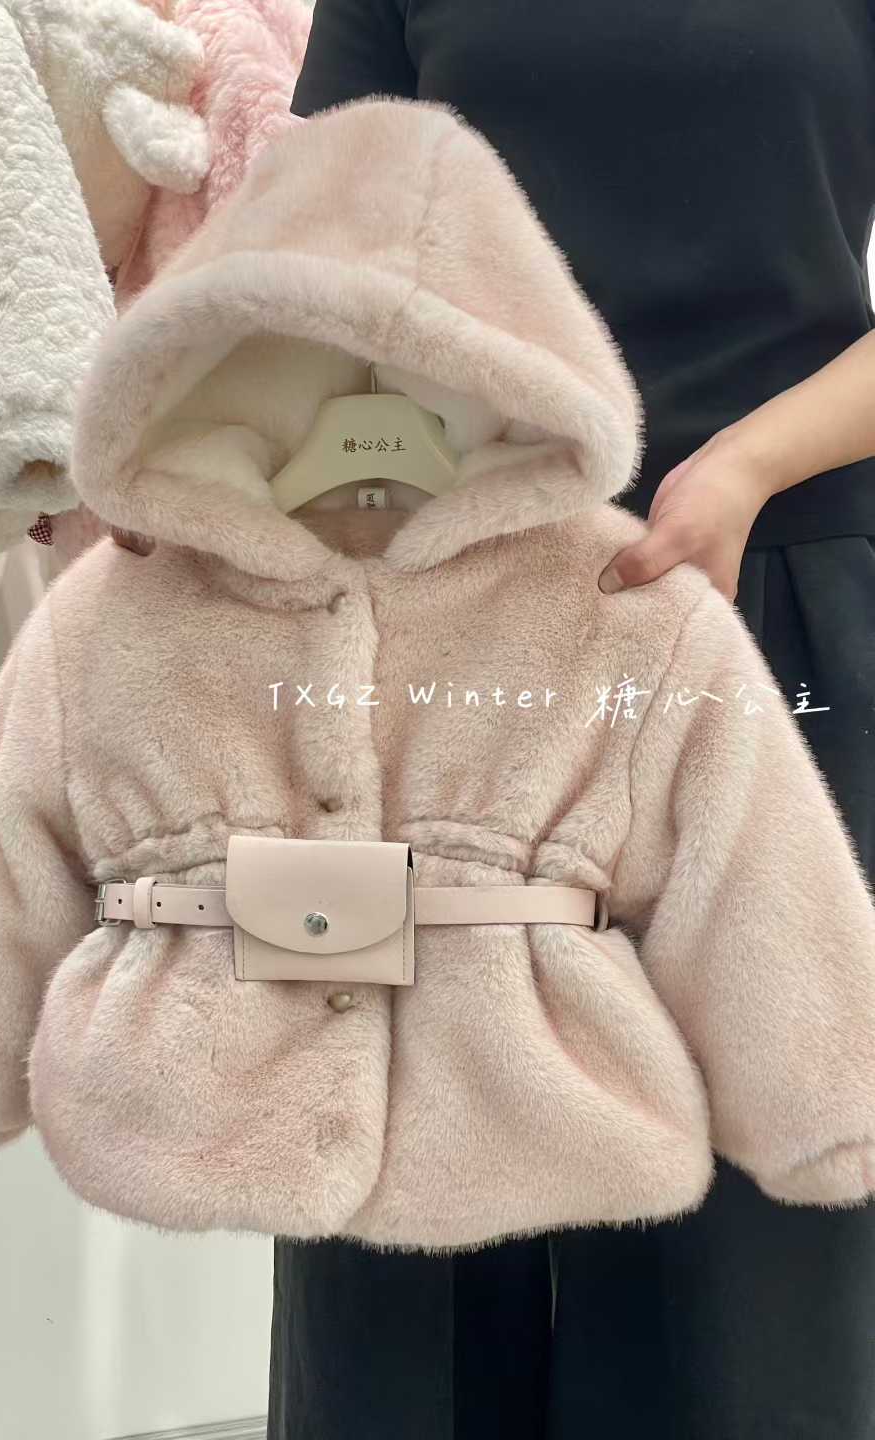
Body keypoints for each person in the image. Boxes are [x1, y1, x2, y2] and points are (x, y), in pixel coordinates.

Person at [267, 3, 875, 1437]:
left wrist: (745, 465)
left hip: (769, 590)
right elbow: (320, 245)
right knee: (395, 1192)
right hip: (433, 593)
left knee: (753, 1227)